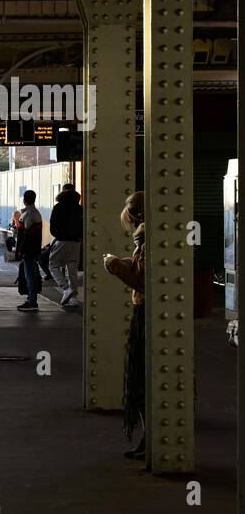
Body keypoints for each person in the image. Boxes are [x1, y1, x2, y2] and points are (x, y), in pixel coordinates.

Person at [103, 191, 146, 459]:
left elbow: (143, 282)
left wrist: (115, 266)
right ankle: (148, 436)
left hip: (144, 313)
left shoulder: (146, 239)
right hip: (147, 312)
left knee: (140, 377)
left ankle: (148, 437)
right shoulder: (150, 239)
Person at [49, 183, 84, 305]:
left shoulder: (58, 207)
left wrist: (58, 235)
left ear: (63, 193)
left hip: (62, 240)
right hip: (76, 242)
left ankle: (66, 289)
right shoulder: (79, 208)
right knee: (72, 269)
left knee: (53, 265)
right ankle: (74, 297)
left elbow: (53, 226)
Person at [16, 190, 43, 311]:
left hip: (29, 250)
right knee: (31, 274)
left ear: (25, 200)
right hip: (34, 249)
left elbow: (26, 234)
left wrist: (21, 250)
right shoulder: (35, 212)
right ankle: (31, 299)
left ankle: (32, 301)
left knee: (30, 275)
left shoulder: (29, 214)